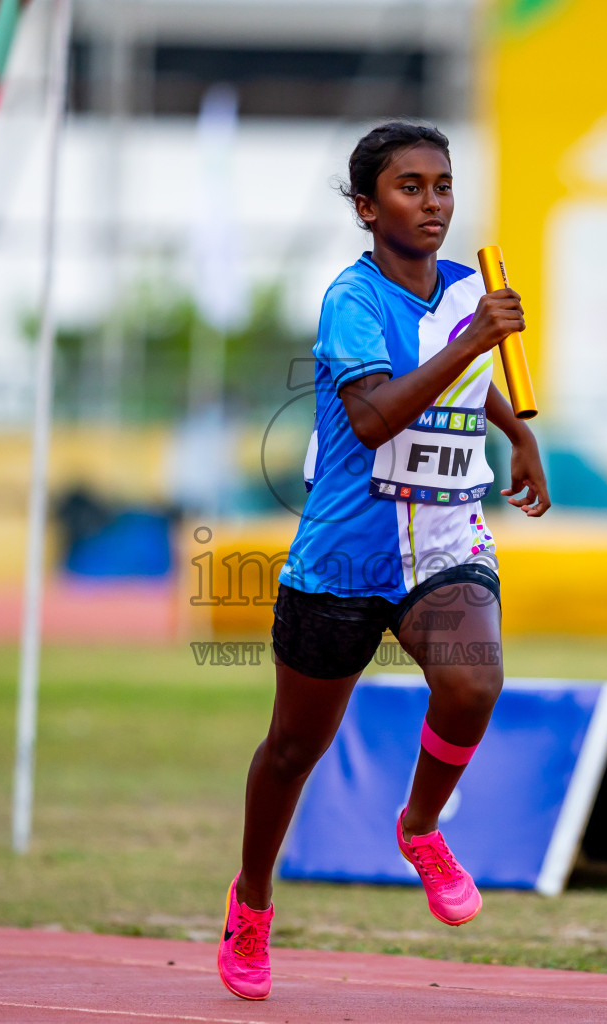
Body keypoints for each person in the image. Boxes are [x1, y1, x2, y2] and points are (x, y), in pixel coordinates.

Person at [217, 121, 551, 1001]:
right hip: (345, 560)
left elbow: (472, 391)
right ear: (368, 207)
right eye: (410, 187)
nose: (432, 202)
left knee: (475, 682)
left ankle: (421, 825)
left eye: (442, 185)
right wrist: (471, 341)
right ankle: (251, 903)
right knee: (293, 749)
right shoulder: (351, 302)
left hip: (443, 544)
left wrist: (518, 438)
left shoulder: (471, 288)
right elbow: (373, 419)